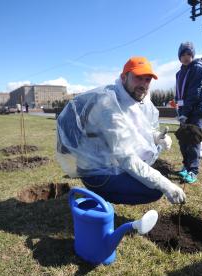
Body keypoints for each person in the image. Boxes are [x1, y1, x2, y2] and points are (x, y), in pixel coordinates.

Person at [56, 56, 186, 205]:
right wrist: (165, 184)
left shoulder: (129, 97)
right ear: (124, 77)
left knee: (148, 177)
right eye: (138, 78)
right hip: (97, 172)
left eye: (147, 79)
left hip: (111, 162)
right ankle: (100, 197)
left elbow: (137, 129)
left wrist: (155, 136)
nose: (144, 85)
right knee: (154, 189)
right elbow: (127, 158)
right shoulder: (109, 106)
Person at [175, 41, 202, 184]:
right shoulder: (179, 73)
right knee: (183, 139)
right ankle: (186, 165)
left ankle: (193, 170)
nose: (186, 57)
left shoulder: (197, 68)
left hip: (197, 110)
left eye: (189, 54)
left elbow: (193, 93)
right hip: (185, 109)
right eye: (183, 54)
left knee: (193, 140)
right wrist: (179, 110)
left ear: (193, 55)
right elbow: (179, 94)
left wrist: (186, 111)